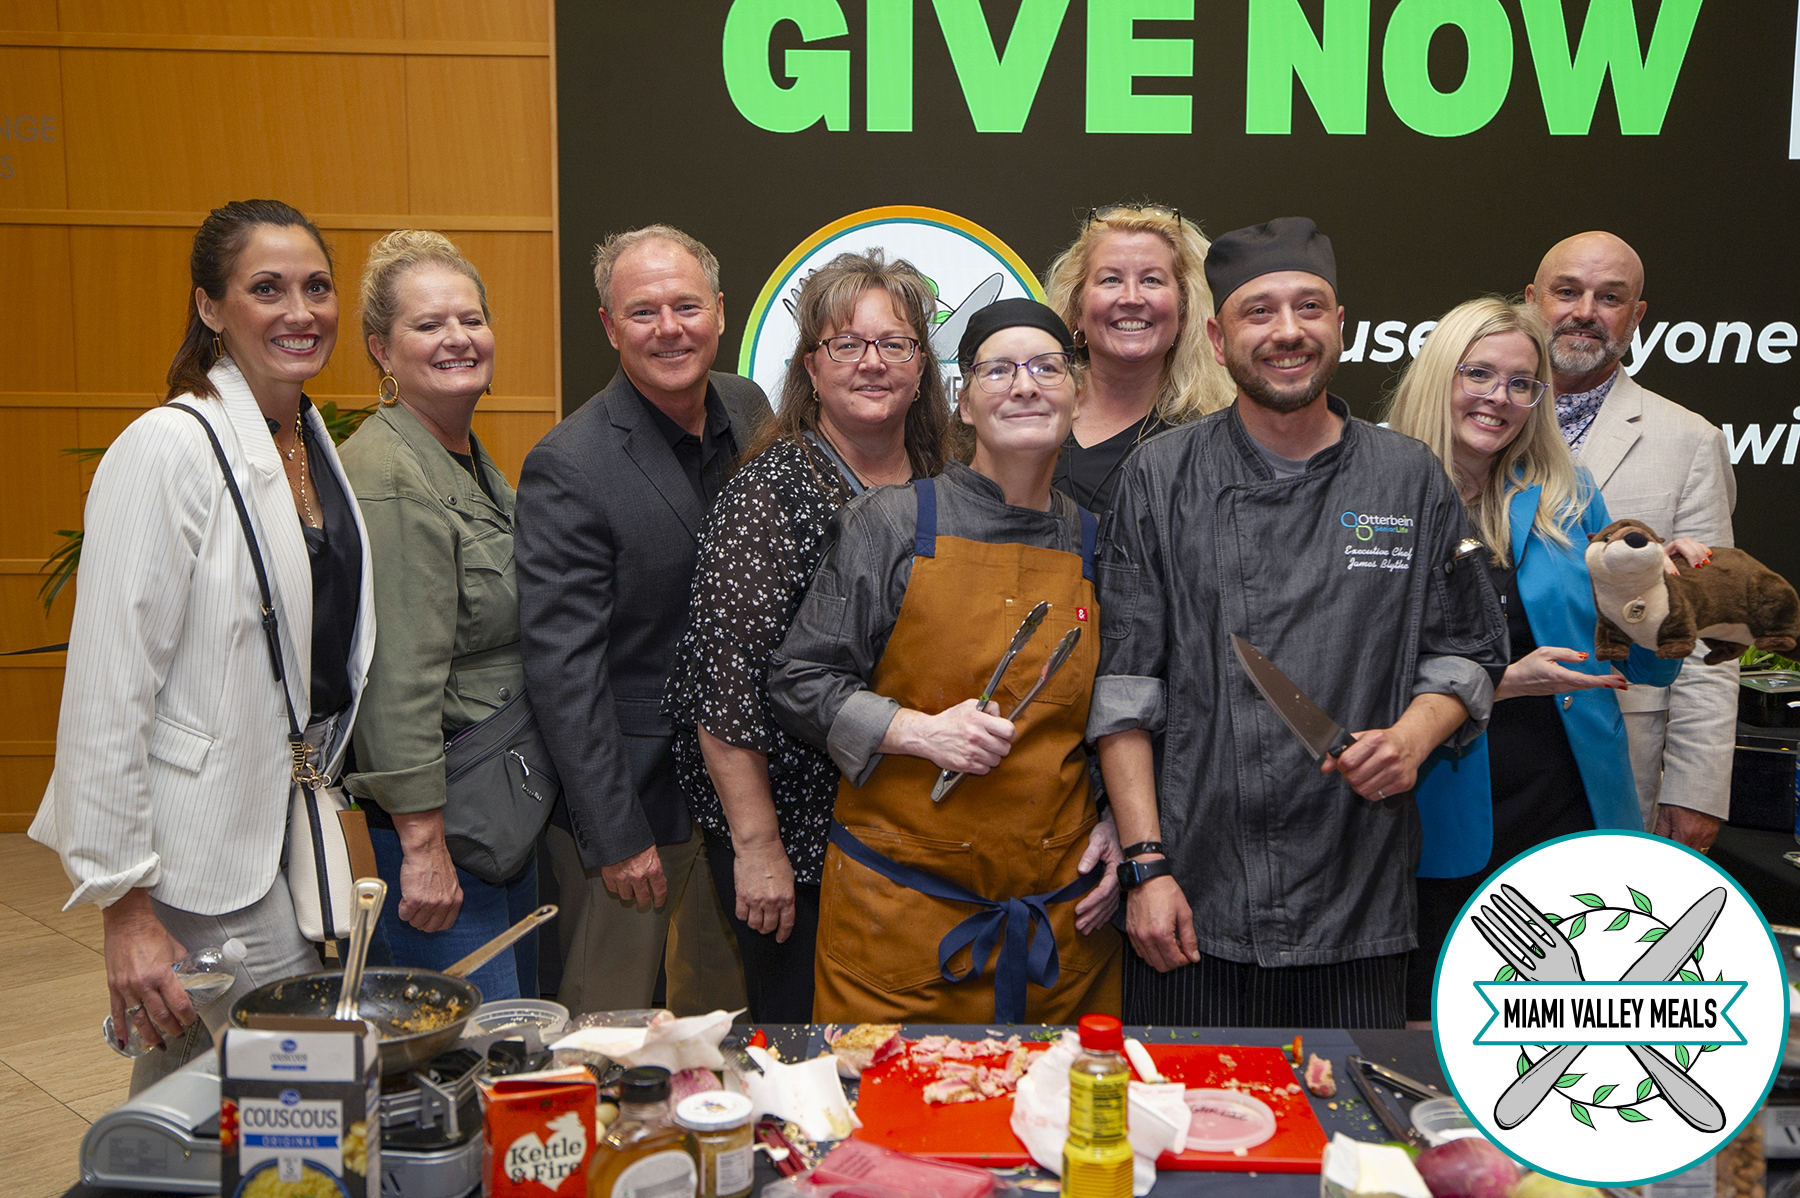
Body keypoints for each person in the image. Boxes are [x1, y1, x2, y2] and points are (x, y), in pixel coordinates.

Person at [1091, 217, 1508, 1029]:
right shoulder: (1161, 476)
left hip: (1358, 895)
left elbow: (1465, 651)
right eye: (1259, 311)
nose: (1288, 331)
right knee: (1185, 1107)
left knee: (1350, 1108)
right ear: (1218, 340)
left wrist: (1412, 739)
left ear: (1340, 325)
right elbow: (1125, 690)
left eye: (1309, 307)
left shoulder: (1407, 477)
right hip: (1193, 898)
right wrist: (1147, 868)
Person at [29, 200, 375, 1092]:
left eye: (317, 287)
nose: (300, 311)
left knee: (213, 1090)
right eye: (267, 289)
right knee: (290, 1085)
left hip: (283, 824)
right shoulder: (167, 447)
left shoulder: (307, 438)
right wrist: (125, 908)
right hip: (198, 850)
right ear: (211, 306)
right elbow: (108, 690)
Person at [770, 298, 1126, 1023]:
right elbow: (800, 681)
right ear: (964, 402)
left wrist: (1119, 820)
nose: (1024, 386)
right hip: (896, 932)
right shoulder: (894, 524)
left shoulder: (1097, 543)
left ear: (1076, 393)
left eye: (1046, 368)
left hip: (1058, 935)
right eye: (999, 370)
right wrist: (918, 732)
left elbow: (1119, 714)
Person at [663, 250, 950, 1022]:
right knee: (810, 1053)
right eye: (846, 344)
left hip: (914, 840)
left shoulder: (946, 481)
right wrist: (758, 848)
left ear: (922, 366)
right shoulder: (769, 491)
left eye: (894, 343)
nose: (872, 363)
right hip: (799, 848)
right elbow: (724, 687)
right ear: (811, 368)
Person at [1385, 298, 1686, 1022]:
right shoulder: (1375, 493)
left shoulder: (1567, 493)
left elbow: (1642, 666)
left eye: (1522, 383)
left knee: (1565, 1030)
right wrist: (1498, 683)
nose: (1500, 397)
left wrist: (1660, 602)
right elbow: (1351, 664)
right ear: (1438, 374)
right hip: (1434, 808)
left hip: (1566, 801)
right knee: (1435, 1026)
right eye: (1479, 374)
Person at [516, 224, 764, 1014]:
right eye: (643, 311)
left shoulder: (748, 407)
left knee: (724, 1020)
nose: (669, 329)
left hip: (740, 797)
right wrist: (615, 834)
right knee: (610, 1026)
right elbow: (564, 670)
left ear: (719, 310)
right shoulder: (570, 464)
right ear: (609, 325)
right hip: (635, 807)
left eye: (686, 306)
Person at [338, 230, 538, 1000]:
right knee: (473, 1044)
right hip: (438, 832)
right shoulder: (390, 475)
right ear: (381, 350)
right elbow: (397, 679)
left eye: (471, 318)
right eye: (428, 325)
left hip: (490, 817)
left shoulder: (460, 454)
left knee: (514, 1034)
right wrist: (423, 847)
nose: (458, 337)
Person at [1525, 232, 1737, 851]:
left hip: (1618, 754)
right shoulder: (1474, 421)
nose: (1585, 312)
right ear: (1533, 300)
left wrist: (1695, 788)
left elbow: (1708, 631)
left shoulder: (1688, 441)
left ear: (1636, 315)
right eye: (1567, 292)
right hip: (1485, 744)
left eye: (1610, 297)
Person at [1043, 203, 1234, 515]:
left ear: (1183, 311)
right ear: (1078, 310)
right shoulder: (1033, 408)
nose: (1131, 298)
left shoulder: (1213, 440)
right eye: (1111, 280)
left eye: (1151, 280)